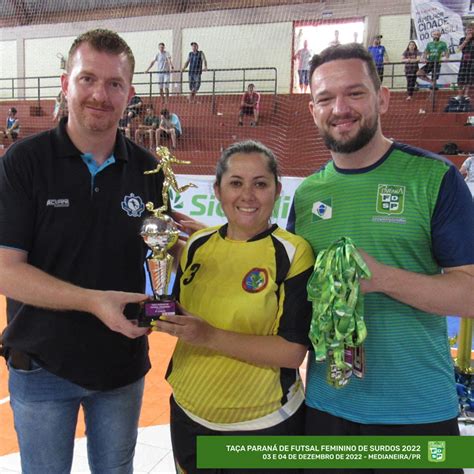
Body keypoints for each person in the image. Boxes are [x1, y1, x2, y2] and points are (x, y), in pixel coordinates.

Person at [288, 43, 474, 474]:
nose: (340, 108)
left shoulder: (434, 177)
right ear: (313, 110)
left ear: (383, 98)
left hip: (418, 412)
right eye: (324, 98)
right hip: (327, 408)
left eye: (354, 93)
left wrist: (383, 277)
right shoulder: (307, 194)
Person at [0, 28, 167, 474]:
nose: (100, 94)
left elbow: (158, 259)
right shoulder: (23, 163)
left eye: (115, 84)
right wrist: (92, 302)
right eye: (88, 79)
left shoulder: (151, 169)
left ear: (130, 93)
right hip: (41, 367)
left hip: (121, 368)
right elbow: (6, 271)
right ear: (65, 83)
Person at [153, 140, 314, 474]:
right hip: (189, 415)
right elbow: (182, 309)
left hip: (261, 426)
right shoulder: (197, 244)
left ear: (277, 190)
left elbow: (292, 352)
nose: (248, 195)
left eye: (260, 184)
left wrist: (208, 335)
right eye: (236, 183)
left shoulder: (293, 253)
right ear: (217, 190)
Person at [458, 22, 473, 99]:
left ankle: (466, 94)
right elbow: (459, 49)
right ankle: (460, 95)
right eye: (468, 30)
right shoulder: (462, 39)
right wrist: (466, 40)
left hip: (472, 62)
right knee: (461, 78)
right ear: (466, 31)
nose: (470, 31)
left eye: (471, 30)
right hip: (464, 61)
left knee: (469, 78)